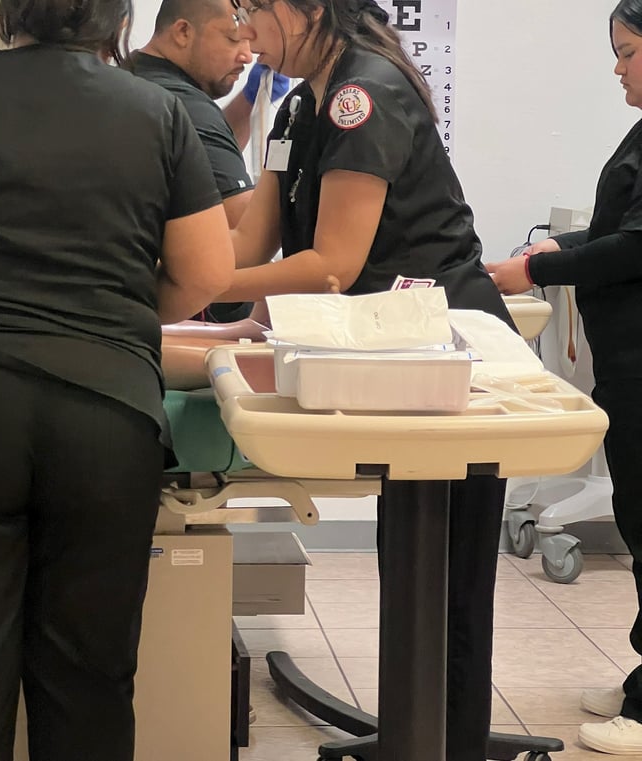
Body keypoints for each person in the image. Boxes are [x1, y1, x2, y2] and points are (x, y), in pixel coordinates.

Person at [0, 1, 233, 760]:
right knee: (89, 673)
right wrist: (116, 306)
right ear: (117, 18)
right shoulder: (158, 113)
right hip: (103, 410)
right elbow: (206, 272)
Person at [219, 2, 515, 759]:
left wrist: (191, 286)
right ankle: (417, 734)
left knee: (450, 576)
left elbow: (332, 265)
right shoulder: (299, 107)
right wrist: (175, 267)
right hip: (389, 350)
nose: (245, 31)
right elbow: (252, 243)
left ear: (307, 9)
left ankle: (449, 744)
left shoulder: (365, 94)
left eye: (255, 10)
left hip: (443, 347)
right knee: (411, 557)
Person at [486, 0, 642, 753]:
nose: (617, 68)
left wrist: (539, 269)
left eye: (628, 52)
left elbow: (634, 248)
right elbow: (618, 230)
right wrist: (552, 249)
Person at [130, 0, 288, 323]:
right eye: (233, 39)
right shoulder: (189, 108)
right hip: (190, 317)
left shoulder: (131, 75)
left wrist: (248, 102)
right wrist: (294, 159)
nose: (248, 55)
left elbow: (202, 162)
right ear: (183, 32)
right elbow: (245, 232)